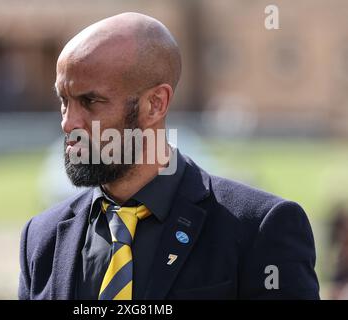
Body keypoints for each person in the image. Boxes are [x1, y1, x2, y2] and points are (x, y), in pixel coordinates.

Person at [18, 12, 319, 300]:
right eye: (64, 101)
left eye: (90, 101)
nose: (68, 123)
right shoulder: (41, 239)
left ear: (155, 104)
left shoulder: (259, 229)